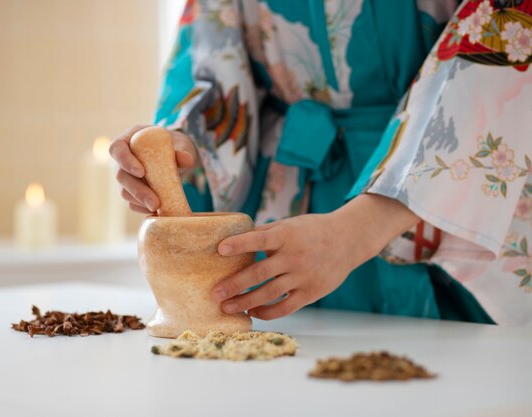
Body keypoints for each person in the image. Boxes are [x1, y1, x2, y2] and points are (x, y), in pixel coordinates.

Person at [111, 0, 532, 326]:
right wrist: (184, 144)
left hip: (438, 207)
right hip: (288, 212)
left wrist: (356, 230)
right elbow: (211, 46)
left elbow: (504, 41)